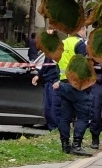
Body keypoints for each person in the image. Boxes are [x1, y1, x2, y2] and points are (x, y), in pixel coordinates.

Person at [56, 25, 93, 156]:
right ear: (80, 30)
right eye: (84, 30)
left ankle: (65, 145)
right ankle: (76, 145)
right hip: (76, 85)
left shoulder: (63, 43)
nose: (85, 33)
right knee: (83, 115)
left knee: (65, 117)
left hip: (63, 83)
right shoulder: (79, 44)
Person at [31, 28, 61, 132]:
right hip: (48, 81)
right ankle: (51, 128)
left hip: (54, 81)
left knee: (54, 109)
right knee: (47, 109)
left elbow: (60, 66)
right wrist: (38, 75)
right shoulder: (49, 49)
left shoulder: (58, 48)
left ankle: (55, 130)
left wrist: (59, 80)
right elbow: (45, 64)